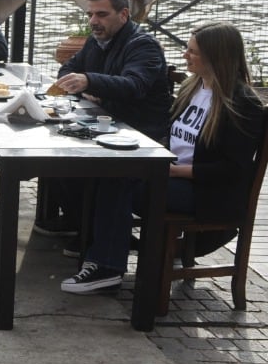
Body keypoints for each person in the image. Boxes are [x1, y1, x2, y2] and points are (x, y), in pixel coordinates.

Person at [62, 21, 264, 294]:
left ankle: (107, 268)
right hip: (173, 174)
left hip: (206, 192)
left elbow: (232, 169)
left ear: (216, 56)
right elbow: (173, 134)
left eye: (193, 52)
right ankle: (95, 249)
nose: (185, 56)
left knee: (119, 182)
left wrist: (171, 171)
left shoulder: (241, 103)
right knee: (108, 169)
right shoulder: (193, 87)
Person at [41, 0, 173, 248]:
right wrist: (87, 83)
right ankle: (81, 224)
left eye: (101, 14)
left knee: (78, 163)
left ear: (123, 14)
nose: (93, 21)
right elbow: (66, 71)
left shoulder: (142, 45)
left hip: (140, 134)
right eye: (90, 14)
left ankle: (98, 237)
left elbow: (134, 85)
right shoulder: (96, 41)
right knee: (53, 153)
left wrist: (90, 81)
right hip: (110, 124)